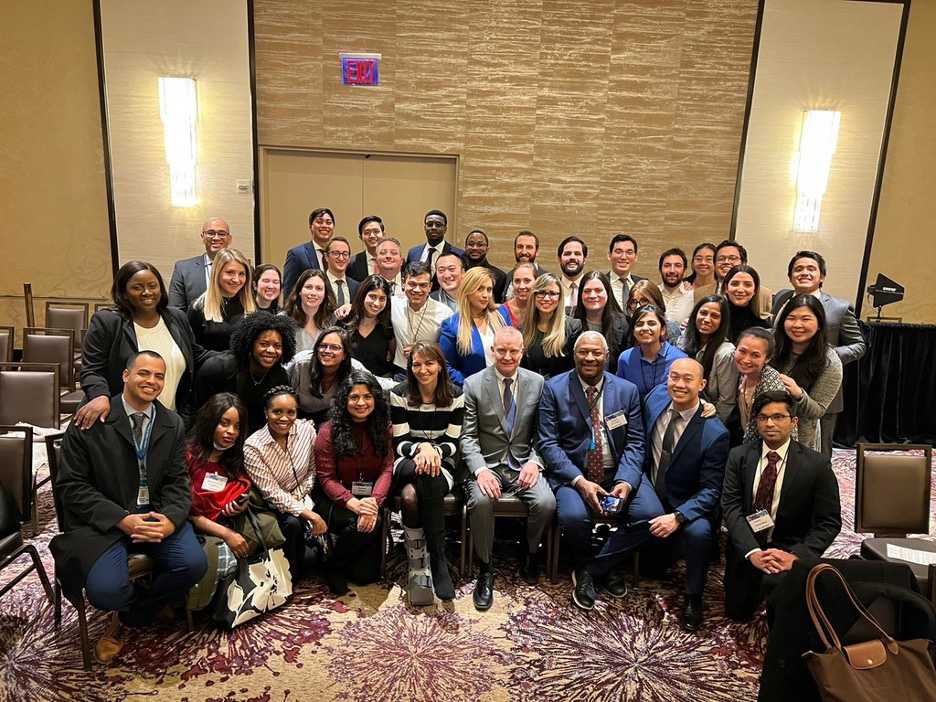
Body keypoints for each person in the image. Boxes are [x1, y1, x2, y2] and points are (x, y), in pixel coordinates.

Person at [50, 351, 206, 663]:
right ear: (124, 376)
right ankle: (134, 608)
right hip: (104, 521)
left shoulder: (171, 422)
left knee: (193, 565)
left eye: (159, 376)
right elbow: (71, 487)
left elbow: (177, 481)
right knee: (105, 592)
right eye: (143, 373)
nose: (152, 381)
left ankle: (130, 615)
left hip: (154, 514)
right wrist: (122, 520)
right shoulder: (92, 419)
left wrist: (171, 521)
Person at [537, 332, 650, 610]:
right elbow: (547, 443)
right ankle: (603, 567)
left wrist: (625, 481)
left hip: (618, 471)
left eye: (596, 353)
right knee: (574, 517)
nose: (589, 358)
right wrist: (579, 481)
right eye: (583, 352)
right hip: (574, 473)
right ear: (574, 355)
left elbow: (636, 442)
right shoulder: (554, 388)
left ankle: (593, 567)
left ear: (606, 355)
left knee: (649, 515)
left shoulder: (627, 390)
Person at [721, 391, 842, 621]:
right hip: (749, 548)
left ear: (793, 421)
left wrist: (796, 556)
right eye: (763, 417)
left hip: (790, 549)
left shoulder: (816, 465)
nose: (770, 423)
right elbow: (731, 508)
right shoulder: (738, 456)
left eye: (778, 417)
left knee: (785, 621)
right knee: (737, 614)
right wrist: (752, 552)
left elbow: (829, 522)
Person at [462, 327, 556, 610]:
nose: (507, 356)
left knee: (546, 502)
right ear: (493, 351)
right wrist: (480, 470)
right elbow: (467, 437)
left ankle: (529, 553)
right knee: (480, 501)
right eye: (501, 350)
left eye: (513, 351)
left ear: (522, 352)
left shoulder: (538, 383)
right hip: (487, 464)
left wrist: (535, 462)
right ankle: (486, 567)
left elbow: (546, 434)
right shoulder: (473, 384)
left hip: (522, 464)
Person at [639, 359, 729, 631]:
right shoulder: (655, 399)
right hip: (651, 494)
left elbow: (712, 490)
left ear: (702, 385)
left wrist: (679, 517)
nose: (679, 384)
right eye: (674, 377)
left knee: (699, 533)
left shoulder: (715, 433)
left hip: (688, 503)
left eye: (687, 379)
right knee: (648, 566)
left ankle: (693, 598)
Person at [78, 260, 210, 427]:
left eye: (152, 286)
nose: (147, 292)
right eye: (137, 287)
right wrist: (99, 395)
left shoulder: (176, 317)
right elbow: (91, 369)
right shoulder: (108, 321)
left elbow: (197, 355)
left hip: (169, 421)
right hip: (119, 421)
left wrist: (241, 353)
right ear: (124, 292)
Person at [184, 393, 283, 611]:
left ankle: (242, 591)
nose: (231, 432)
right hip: (194, 525)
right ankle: (204, 604)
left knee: (271, 526)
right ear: (210, 422)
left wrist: (240, 503)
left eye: (237, 427)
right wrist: (227, 534)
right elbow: (187, 511)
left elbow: (241, 486)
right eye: (224, 424)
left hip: (227, 518)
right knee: (216, 553)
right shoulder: (188, 456)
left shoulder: (233, 457)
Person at [771, 251, 866, 457]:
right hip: (782, 386)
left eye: (811, 269)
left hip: (822, 388)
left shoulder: (839, 307)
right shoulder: (781, 298)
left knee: (818, 453)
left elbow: (859, 345)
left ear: (821, 276)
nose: (804, 273)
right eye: (798, 269)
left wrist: (823, 359)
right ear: (790, 277)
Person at [390, 342, 464, 604]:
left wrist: (434, 453)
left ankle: (427, 560)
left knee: (417, 489)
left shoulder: (456, 395)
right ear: (410, 368)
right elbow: (399, 441)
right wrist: (422, 448)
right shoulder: (399, 393)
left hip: (442, 463)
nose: (423, 369)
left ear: (440, 365)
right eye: (417, 364)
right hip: (406, 461)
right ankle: (438, 557)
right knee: (425, 473)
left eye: (429, 363)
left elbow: (453, 443)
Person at [313, 371, 394, 595]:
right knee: (366, 524)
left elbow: (387, 468)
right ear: (344, 400)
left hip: (370, 499)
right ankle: (333, 565)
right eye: (354, 397)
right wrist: (353, 503)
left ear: (376, 398)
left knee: (365, 576)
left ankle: (340, 554)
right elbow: (326, 478)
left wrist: (373, 502)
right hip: (336, 500)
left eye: (367, 396)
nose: (361, 403)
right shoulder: (328, 431)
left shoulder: (384, 427)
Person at [244, 385, 328, 582]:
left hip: (304, 495)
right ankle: (290, 578)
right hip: (272, 506)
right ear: (266, 412)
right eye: (277, 412)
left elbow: (313, 470)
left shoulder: (307, 430)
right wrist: (308, 514)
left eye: (291, 412)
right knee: (292, 524)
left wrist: (300, 497)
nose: (284, 418)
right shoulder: (253, 446)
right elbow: (272, 493)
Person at [194, 312, 296, 435]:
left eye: (277, 346)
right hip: (213, 433)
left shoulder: (280, 377)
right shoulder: (217, 368)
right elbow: (195, 411)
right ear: (250, 344)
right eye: (263, 344)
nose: (270, 350)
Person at [770, 295, 843, 452]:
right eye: (791, 318)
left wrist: (798, 394)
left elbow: (817, 411)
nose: (797, 325)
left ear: (819, 324)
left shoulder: (830, 362)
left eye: (805, 319)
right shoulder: (771, 345)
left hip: (800, 437)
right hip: (763, 428)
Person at [439, 267, 509, 385]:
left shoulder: (501, 313)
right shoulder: (451, 325)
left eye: (489, 289)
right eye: (480, 289)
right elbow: (446, 366)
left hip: (505, 386)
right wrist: (470, 385)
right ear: (467, 290)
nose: (485, 295)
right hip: (473, 391)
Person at [679, 295, 738, 422]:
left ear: (722, 321)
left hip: (710, 417)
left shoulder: (726, 353)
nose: (706, 319)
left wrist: (712, 427)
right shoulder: (683, 340)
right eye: (703, 313)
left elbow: (726, 402)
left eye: (715, 316)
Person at [389, 262, 452, 375]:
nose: (417, 290)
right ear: (403, 283)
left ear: (430, 287)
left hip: (430, 372)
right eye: (412, 284)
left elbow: (451, 346)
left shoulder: (444, 313)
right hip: (401, 371)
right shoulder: (392, 304)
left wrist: (425, 347)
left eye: (423, 285)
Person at [188, 248, 255, 352]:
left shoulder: (252, 308)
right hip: (210, 367)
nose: (236, 279)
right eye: (230, 272)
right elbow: (192, 351)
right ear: (217, 273)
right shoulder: (198, 307)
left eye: (241, 274)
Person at [289, 326, 359, 426]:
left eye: (334, 347)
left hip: (331, 418)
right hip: (296, 415)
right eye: (323, 346)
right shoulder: (300, 363)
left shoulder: (354, 368)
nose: (327, 351)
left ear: (345, 354)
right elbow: (282, 393)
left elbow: (376, 383)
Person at [732, 327, 790, 446]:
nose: (746, 360)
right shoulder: (744, 374)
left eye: (755, 355)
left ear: (767, 359)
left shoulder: (771, 386)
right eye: (742, 351)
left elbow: (776, 431)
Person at [616, 305, 688, 398]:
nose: (645, 328)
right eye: (639, 324)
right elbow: (620, 392)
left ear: (662, 329)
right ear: (633, 331)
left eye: (651, 323)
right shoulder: (626, 358)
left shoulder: (680, 360)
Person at [520, 273, 582, 380]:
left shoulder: (573, 327)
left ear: (560, 298)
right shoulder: (522, 329)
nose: (546, 298)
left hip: (562, 391)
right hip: (531, 390)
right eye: (541, 292)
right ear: (533, 296)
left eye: (553, 293)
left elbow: (577, 369)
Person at [168, 217, 232, 311]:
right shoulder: (183, 269)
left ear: (229, 239)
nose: (216, 238)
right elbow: (175, 311)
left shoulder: (243, 270)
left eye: (221, 234)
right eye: (211, 233)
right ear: (203, 236)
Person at [695, 240, 772, 317]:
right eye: (721, 259)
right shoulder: (699, 293)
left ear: (744, 263)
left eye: (732, 258)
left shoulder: (764, 294)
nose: (726, 262)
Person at [571, 271, 629, 374]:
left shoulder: (623, 324)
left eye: (598, 290)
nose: (592, 295)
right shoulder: (570, 322)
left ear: (607, 292)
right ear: (581, 294)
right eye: (587, 291)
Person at [344, 275, 395, 379]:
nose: (377, 303)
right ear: (363, 295)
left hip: (380, 383)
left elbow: (393, 356)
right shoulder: (345, 320)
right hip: (348, 382)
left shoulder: (388, 326)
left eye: (382, 299)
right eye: (372, 297)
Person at [282, 207, 334, 299]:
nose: (324, 225)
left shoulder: (337, 255)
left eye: (328, 222)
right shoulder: (297, 254)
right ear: (311, 226)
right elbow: (289, 291)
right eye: (319, 222)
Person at [283, 269, 337, 353]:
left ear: (325, 294)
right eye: (308, 287)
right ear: (299, 291)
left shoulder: (332, 320)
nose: (313, 293)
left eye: (319, 288)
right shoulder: (284, 319)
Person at [405, 210, 465, 281]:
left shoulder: (458, 254)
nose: (433, 228)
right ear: (425, 228)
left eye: (438, 225)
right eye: (429, 224)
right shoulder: (413, 253)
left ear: (445, 229)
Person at [722, 264, 770, 343]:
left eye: (747, 285)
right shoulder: (714, 317)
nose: (740, 289)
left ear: (755, 290)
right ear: (726, 288)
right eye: (735, 284)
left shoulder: (762, 326)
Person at [623, 280, 682, 345]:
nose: (638, 307)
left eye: (644, 301)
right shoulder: (628, 327)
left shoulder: (670, 328)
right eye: (633, 302)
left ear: (656, 301)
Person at [463, 228, 507, 302]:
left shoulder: (500, 276)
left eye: (480, 245)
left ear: (487, 249)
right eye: (471, 244)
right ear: (465, 247)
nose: (475, 248)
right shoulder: (458, 273)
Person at [503, 230, 548, 299]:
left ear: (537, 251)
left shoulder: (546, 279)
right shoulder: (509, 275)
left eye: (529, 247)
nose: (524, 252)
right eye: (520, 247)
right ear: (514, 249)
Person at [657, 248, 694, 329]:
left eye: (678, 266)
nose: (672, 270)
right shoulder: (652, 294)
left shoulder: (693, 297)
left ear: (684, 270)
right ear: (660, 269)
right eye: (667, 265)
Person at [607, 234, 646, 310]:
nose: (623, 257)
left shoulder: (643, 284)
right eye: (618, 252)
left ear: (636, 257)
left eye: (629, 252)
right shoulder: (600, 284)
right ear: (609, 255)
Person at [323, 236, 360, 309]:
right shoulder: (319, 283)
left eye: (345, 254)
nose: (341, 258)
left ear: (349, 258)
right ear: (326, 257)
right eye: (336, 253)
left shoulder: (357, 287)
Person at [347, 215, 384, 282]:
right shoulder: (352, 263)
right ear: (361, 237)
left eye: (376, 231)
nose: (372, 236)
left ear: (383, 234)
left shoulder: (393, 260)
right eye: (367, 232)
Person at [499, 263, 535, 329]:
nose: (521, 286)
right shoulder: (500, 312)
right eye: (517, 281)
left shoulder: (541, 310)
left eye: (527, 281)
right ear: (512, 284)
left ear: (536, 282)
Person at [557, 236, 588, 312]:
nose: (572, 257)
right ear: (559, 259)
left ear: (584, 259)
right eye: (567, 254)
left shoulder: (594, 289)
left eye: (577, 254)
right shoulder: (552, 288)